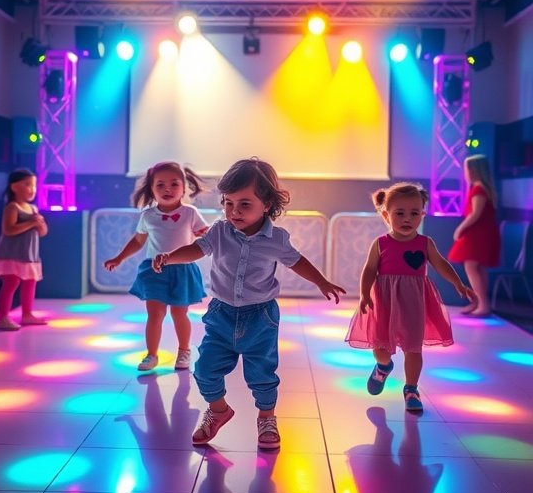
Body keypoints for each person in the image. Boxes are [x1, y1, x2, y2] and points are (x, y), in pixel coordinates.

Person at [152, 157, 346, 450]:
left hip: (260, 317)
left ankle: (266, 418)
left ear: (266, 204)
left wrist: (322, 282)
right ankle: (218, 410)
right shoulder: (219, 231)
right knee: (204, 369)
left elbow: (297, 262)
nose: (234, 211)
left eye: (244, 204)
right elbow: (196, 249)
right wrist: (170, 257)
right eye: (228, 203)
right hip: (221, 314)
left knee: (262, 374)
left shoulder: (277, 239)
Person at [345, 181, 474, 413]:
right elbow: (370, 269)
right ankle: (383, 367)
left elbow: (441, 264)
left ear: (422, 215)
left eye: (414, 213)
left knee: (413, 348)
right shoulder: (381, 243)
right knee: (381, 347)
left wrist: (458, 283)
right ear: (386, 215)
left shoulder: (425, 243)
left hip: (414, 303)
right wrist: (364, 294)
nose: (407, 219)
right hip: (385, 302)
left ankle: (411, 389)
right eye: (400, 213)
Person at [104, 161, 208, 372]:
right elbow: (138, 241)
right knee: (155, 314)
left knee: (179, 313)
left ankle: (184, 351)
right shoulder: (148, 215)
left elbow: (204, 235)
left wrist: (203, 234)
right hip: (154, 270)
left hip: (182, 270)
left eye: (174, 184)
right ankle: (152, 354)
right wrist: (119, 258)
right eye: (160, 185)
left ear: (184, 188)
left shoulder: (190, 212)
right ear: (151, 189)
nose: (167, 189)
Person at [0, 167, 48, 331]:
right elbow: (8, 230)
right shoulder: (13, 207)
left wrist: (40, 224)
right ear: (14, 187)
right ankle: (3, 318)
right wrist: (31, 223)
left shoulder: (33, 209)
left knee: (30, 282)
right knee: (11, 282)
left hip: (29, 255)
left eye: (34, 185)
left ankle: (27, 314)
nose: (32, 189)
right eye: (27, 185)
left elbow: (42, 233)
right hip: (13, 254)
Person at [448, 153, 500, 317]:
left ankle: (482, 304)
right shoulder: (484, 188)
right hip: (483, 232)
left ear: (473, 170)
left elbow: (475, 214)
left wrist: (460, 229)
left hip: (478, 234)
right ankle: (480, 302)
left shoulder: (478, 189)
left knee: (471, 267)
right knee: (479, 267)